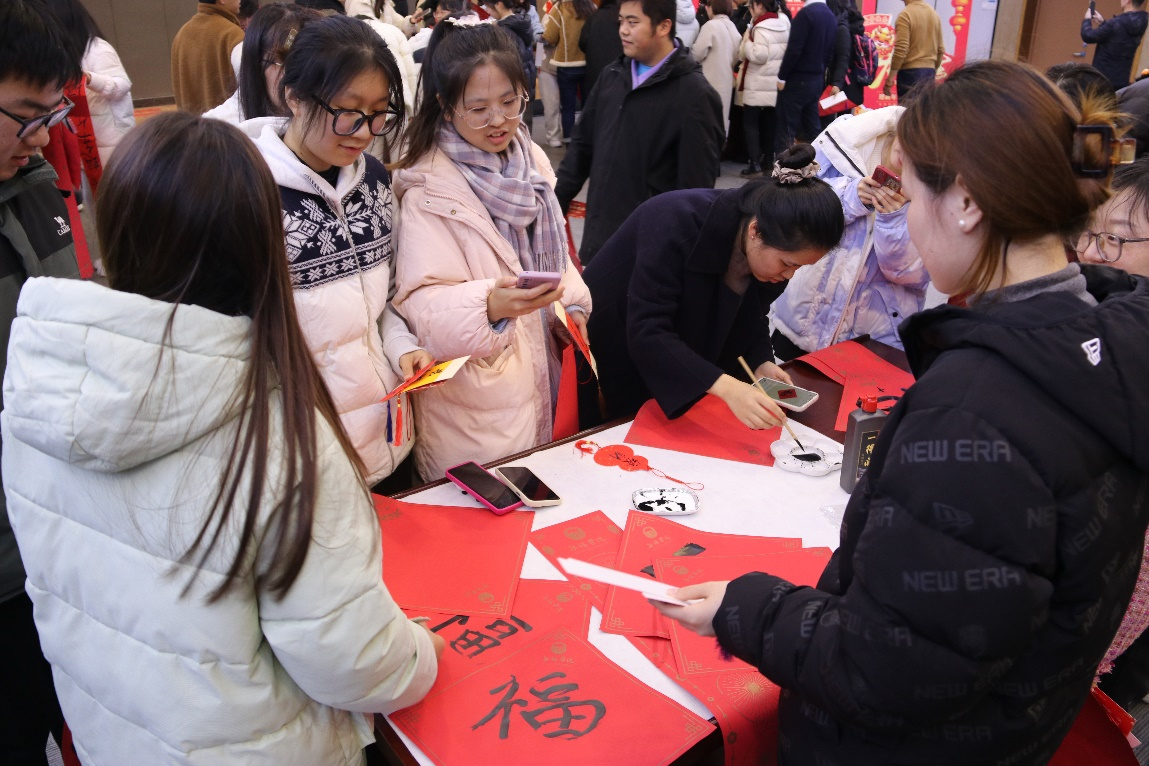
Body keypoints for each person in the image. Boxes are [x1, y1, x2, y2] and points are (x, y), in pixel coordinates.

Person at [654, 60, 1149, 765]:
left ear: (966, 202)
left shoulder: (977, 408)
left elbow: (886, 668)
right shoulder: (1111, 348)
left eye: (913, 196)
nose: (910, 222)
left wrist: (746, 609)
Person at [3, 112, 442, 766]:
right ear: (260, 240)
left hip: (114, 738)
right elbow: (350, 660)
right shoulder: (275, 430)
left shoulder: (42, 382)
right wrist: (422, 656)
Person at [392, 19, 593, 480]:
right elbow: (419, 308)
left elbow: (555, 257)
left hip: (545, 379)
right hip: (478, 408)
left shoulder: (530, 159)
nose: (499, 120)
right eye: (478, 108)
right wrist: (488, 306)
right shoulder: (430, 191)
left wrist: (573, 305)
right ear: (446, 107)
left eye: (510, 101)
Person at [243, 15, 430, 491]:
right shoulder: (249, 193)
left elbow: (383, 299)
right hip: (309, 457)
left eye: (379, 113)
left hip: (389, 435)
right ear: (294, 96)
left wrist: (402, 347)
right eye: (348, 111)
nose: (365, 132)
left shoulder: (374, 181)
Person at [579, 144, 843, 427]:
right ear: (755, 231)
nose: (789, 275)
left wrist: (760, 362)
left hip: (673, 351)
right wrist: (726, 387)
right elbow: (648, 330)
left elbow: (752, 314)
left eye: (799, 268)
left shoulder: (766, 251)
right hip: (610, 349)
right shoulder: (674, 222)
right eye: (787, 263)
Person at [0, 5, 82, 763]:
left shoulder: (34, 187)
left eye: (50, 116)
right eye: (26, 115)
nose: (39, 136)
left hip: (57, 548)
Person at [555, 0, 725, 264]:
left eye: (633, 22)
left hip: (649, 252)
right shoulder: (612, 75)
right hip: (599, 240)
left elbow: (694, 192)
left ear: (663, 26)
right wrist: (555, 203)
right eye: (621, 21)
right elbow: (581, 148)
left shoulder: (695, 95)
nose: (623, 30)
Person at [770, 106, 927, 357]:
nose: (912, 151)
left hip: (873, 337)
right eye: (912, 134)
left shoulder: (938, 191)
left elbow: (912, 274)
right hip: (804, 317)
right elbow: (791, 205)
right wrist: (850, 195)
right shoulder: (846, 139)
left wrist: (893, 221)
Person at [45, 0, 135, 168]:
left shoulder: (98, 49)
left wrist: (89, 79)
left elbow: (121, 86)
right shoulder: (60, 53)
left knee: (109, 181)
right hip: (81, 138)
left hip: (111, 139)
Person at [205, 4, 323, 124]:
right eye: (287, 63)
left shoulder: (325, 119)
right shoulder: (220, 128)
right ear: (256, 65)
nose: (303, 78)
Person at [735, 0, 790, 176]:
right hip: (773, 82)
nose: (750, 10)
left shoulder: (759, 27)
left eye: (751, 6)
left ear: (759, 5)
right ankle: (767, 161)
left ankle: (754, 163)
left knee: (750, 122)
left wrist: (746, 42)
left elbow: (759, 55)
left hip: (757, 82)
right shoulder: (782, 24)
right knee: (769, 123)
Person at [776, 0, 836, 145]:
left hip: (798, 79)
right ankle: (816, 157)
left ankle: (784, 159)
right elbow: (830, 54)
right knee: (813, 127)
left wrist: (782, 77)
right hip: (817, 79)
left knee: (786, 127)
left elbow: (794, 50)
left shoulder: (806, 14)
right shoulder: (831, 16)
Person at [171, 0, 247, 115]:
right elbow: (250, 88)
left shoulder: (181, 34)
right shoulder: (232, 35)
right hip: (225, 125)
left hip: (190, 124)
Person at [543, 0, 594, 141]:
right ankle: (586, 139)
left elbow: (550, 36)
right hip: (588, 63)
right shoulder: (591, 7)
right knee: (587, 104)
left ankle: (569, 141)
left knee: (568, 107)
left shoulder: (560, 8)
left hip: (566, 64)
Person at [484, 0, 537, 129]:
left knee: (516, 124)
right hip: (526, 79)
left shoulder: (504, 31)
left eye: (488, 7)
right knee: (524, 123)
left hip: (514, 84)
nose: (487, 10)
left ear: (499, 5)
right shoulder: (520, 23)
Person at [692, 0, 741, 134]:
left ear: (712, 7)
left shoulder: (711, 26)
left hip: (708, 82)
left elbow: (697, 54)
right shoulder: (732, 27)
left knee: (705, 124)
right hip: (726, 82)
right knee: (720, 123)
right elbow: (737, 55)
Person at [883, 0, 944, 103]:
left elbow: (901, 48)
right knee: (925, 110)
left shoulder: (905, 15)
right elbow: (940, 49)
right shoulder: (934, 14)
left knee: (908, 110)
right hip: (929, 72)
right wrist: (932, 68)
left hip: (910, 74)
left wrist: (890, 79)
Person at [1082, 0, 1149, 91]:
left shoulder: (1115, 23)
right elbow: (1120, 35)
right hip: (1122, 79)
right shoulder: (1142, 21)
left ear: (1128, 1)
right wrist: (1103, 23)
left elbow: (1088, 36)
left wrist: (1087, 20)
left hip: (1101, 79)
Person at [579, 0, 623, 96]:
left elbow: (582, 42)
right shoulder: (623, 18)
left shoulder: (593, 17)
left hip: (595, 71)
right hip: (619, 71)